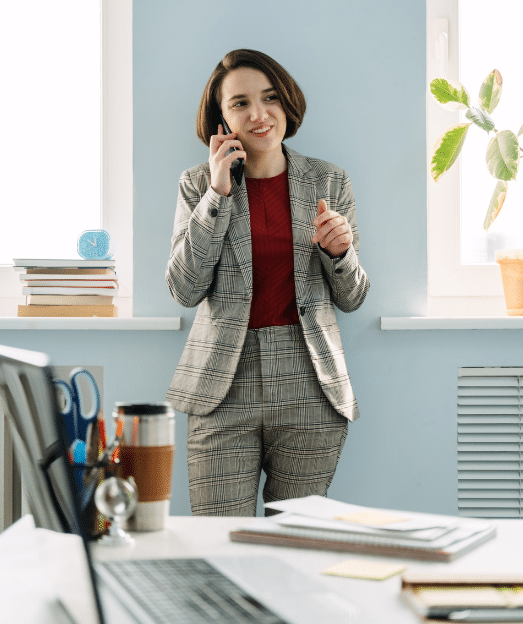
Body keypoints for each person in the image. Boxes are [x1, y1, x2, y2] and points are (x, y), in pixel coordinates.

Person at [166, 49, 369, 516]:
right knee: (219, 544)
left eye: (270, 98)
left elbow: (353, 296)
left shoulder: (329, 181)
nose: (259, 114)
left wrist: (339, 253)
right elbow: (184, 288)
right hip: (222, 382)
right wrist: (217, 193)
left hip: (309, 382)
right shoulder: (197, 184)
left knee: (294, 544)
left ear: (287, 104)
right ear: (221, 118)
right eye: (240, 103)